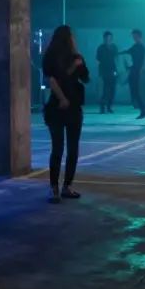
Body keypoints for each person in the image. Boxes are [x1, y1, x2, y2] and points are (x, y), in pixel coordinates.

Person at [43, 26, 90, 203]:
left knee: (68, 149)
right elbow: (55, 79)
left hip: (70, 106)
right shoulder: (53, 58)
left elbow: (85, 78)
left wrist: (81, 65)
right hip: (60, 106)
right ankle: (60, 187)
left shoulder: (75, 57)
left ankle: (60, 188)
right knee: (62, 148)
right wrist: (74, 67)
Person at [122, 29, 145, 119]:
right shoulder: (136, 46)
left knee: (136, 91)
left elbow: (142, 61)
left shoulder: (140, 47)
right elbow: (128, 52)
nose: (133, 37)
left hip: (137, 71)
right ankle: (143, 110)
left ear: (138, 36)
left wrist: (140, 70)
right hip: (134, 70)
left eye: (134, 36)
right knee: (134, 91)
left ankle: (143, 110)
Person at [95, 31, 118, 114]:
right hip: (104, 70)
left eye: (109, 38)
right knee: (104, 90)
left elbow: (116, 58)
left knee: (112, 89)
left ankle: (109, 106)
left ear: (111, 39)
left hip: (112, 70)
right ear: (104, 39)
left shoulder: (114, 47)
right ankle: (102, 106)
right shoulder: (101, 48)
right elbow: (98, 58)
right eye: (106, 38)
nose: (107, 39)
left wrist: (116, 70)